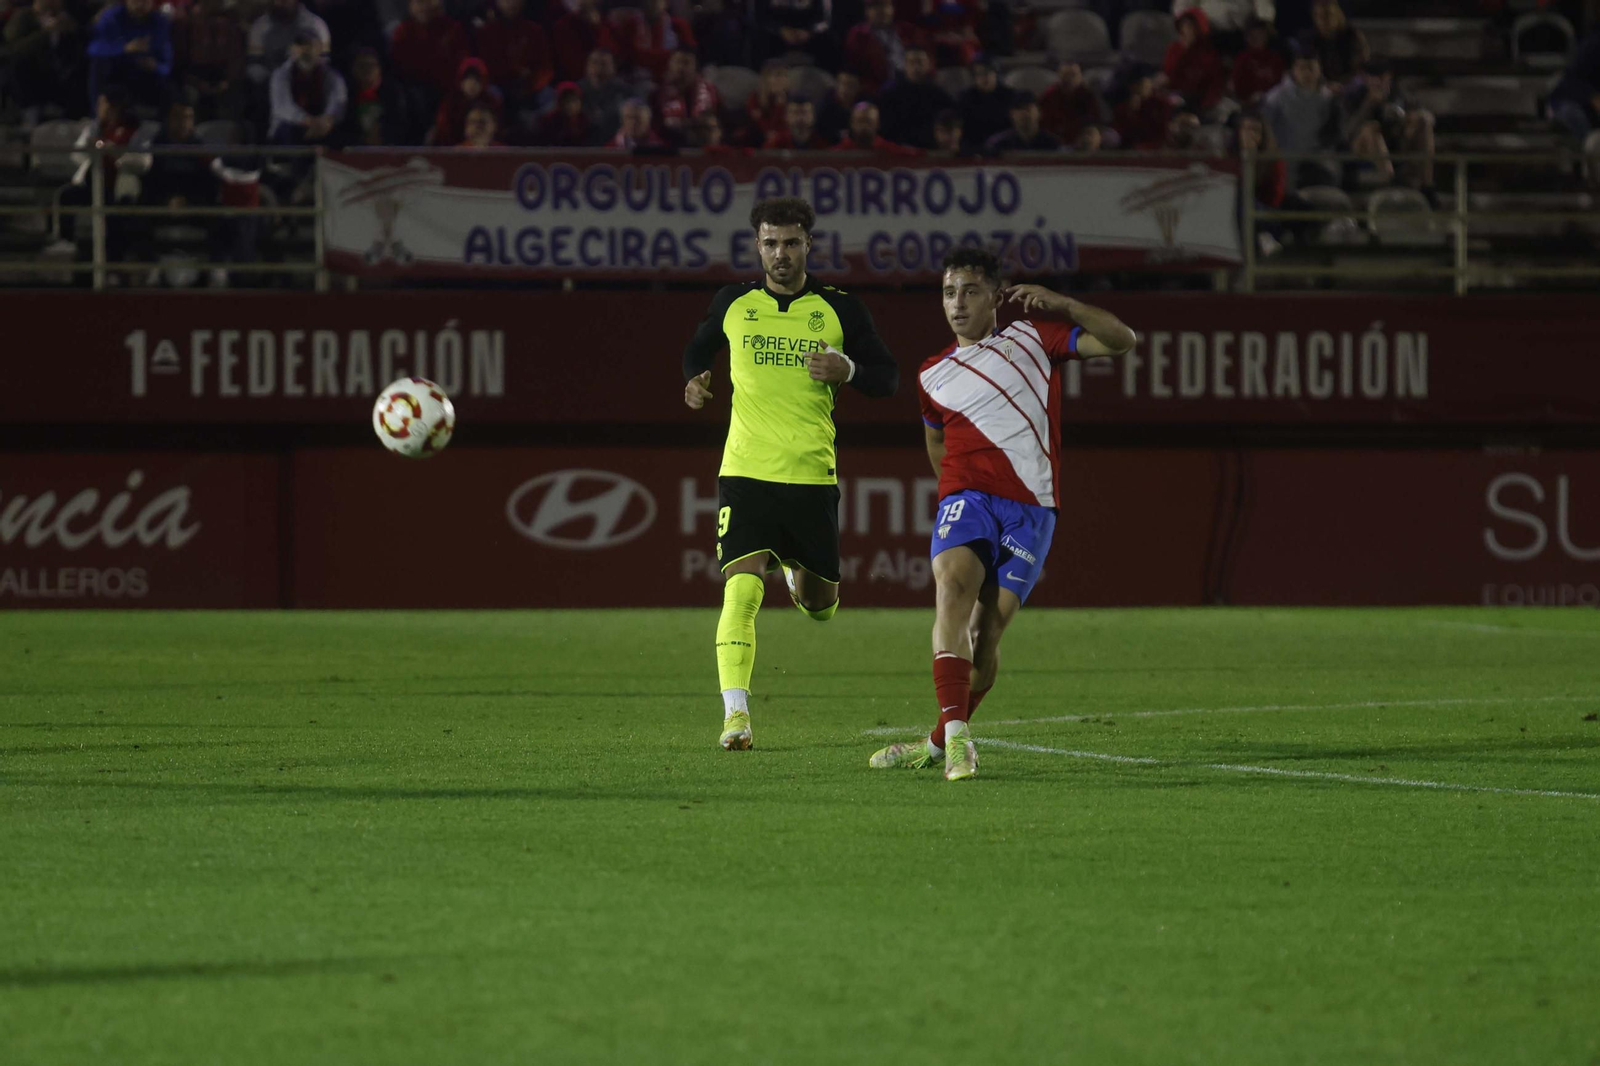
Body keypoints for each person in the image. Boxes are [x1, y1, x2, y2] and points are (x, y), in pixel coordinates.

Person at [870, 247, 1135, 781]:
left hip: (1031, 508)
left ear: (996, 295)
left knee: (985, 634)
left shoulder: (1036, 339)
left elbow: (1121, 339)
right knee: (952, 589)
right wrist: (954, 493)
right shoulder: (932, 374)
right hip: (966, 500)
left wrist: (1062, 304)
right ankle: (961, 737)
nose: (958, 303)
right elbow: (935, 442)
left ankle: (939, 741)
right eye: (949, 292)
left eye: (969, 291)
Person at [680, 197, 899, 752]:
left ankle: (797, 578)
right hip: (746, 471)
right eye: (771, 243)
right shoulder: (733, 302)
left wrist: (846, 369)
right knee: (741, 592)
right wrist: (695, 380)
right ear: (757, 245)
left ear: (809, 245)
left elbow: (888, 377)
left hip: (811, 475)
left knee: (822, 606)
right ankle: (736, 717)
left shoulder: (840, 309)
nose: (781, 253)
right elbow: (697, 350)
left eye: (792, 242)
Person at [87, 0, 173, 110]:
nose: (140, 4)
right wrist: (124, 49)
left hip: (145, 75)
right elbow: (95, 49)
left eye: (146, 1)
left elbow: (166, 64)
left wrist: (155, 66)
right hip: (117, 72)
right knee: (99, 66)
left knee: (168, 87)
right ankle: (98, 114)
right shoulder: (111, 17)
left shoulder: (159, 22)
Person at [877, 45, 953, 149]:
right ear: (905, 65)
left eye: (920, 63)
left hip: (930, 149)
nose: (916, 67)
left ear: (928, 65)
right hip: (897, 150)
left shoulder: (938, 94)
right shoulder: (889, 93)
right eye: (912, 62)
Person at [1164, 9, 1226, 116]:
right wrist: (1184, 52)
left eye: (1192, 26)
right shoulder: (1174, 49)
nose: (1188, 30)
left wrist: (1206, 104)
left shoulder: (1208, 53)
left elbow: (1215, 82)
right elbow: (1169, 76)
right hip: (1177, 96)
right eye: (1185, 25)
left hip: (1200, 100)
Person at [1550, 27, 1600, 144]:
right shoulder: (1594, 44)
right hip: (1574, 101)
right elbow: (1571, 81)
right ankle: (1585, 154)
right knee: (1572, 114)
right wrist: (1593, 97)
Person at [1037, 60, 1102, 146]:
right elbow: (1043, 121)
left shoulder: (1088, 95)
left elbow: (1094, 119)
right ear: (1059, 76)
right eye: (1065, 75)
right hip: (1056, 135)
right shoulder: (1049, 95)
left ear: (1080, 77)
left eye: (1073, 75)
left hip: (1082, 135)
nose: (1069, 79)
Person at [957, 55, 1014, 150]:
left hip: (1004, 147)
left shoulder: (1010, 96)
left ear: (996, 73)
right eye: (979, 74)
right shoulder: (966, 98)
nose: (984, 77)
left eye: (988, 72)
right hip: (973, 148)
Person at [1308, 0, 1365, 90]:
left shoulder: (1352, 36)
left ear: (1338, 15)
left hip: (1350, 87)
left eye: (1328, 15)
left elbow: (1361, 67)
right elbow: (1309, 67)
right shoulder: (1311, 39)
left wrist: (1343, 85)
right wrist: (1325, 85)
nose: (1323, 21)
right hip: (1321, 89)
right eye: (1318, 16)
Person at [1230, 15, 1283, 107]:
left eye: (1260, 35)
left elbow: (1281, 85)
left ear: (1266, 36)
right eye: (1252, 35)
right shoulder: (1242, 59)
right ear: (1246, 37)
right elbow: (1237, 87)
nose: (1256, 39)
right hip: (1247, 106)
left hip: (1274, 104)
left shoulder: (1275, 59)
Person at [986, 90, 1062, 153]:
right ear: (1011, 114)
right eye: (1019, 108)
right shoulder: (999, 144)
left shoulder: (1052, 143)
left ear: (1039, 113)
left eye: (1028, 108)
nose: (1024, 113)